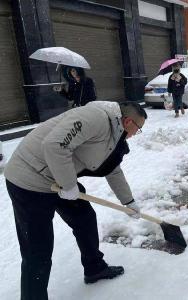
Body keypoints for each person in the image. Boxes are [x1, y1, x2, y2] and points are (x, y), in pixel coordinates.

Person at [5, 101, 147, 299]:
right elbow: (54, 144)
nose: (136, 134)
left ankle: (94, 268)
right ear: (128, 121)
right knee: (38, 249)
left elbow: (112, 168)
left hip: (58, 178)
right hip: (29, 180)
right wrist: (69, 185)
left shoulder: (116, 133)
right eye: (138, 129)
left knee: (85, 219)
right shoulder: (95, 118)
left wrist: (128, 201)